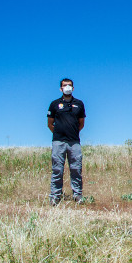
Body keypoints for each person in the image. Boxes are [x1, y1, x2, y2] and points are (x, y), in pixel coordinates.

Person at [47, 78, 86, 206]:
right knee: (57, 169)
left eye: (69, 85)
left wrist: (72, 132)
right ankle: (55, 196)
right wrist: (59, 133)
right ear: (61, 88)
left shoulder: (79, 104)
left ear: (73, 88)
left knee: (76, 168)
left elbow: (81, 124)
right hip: (58, 142)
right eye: (65, 85)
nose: (67, 87)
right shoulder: (54, 104)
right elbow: (50, 123)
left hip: (74, 142)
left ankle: (77, 195)